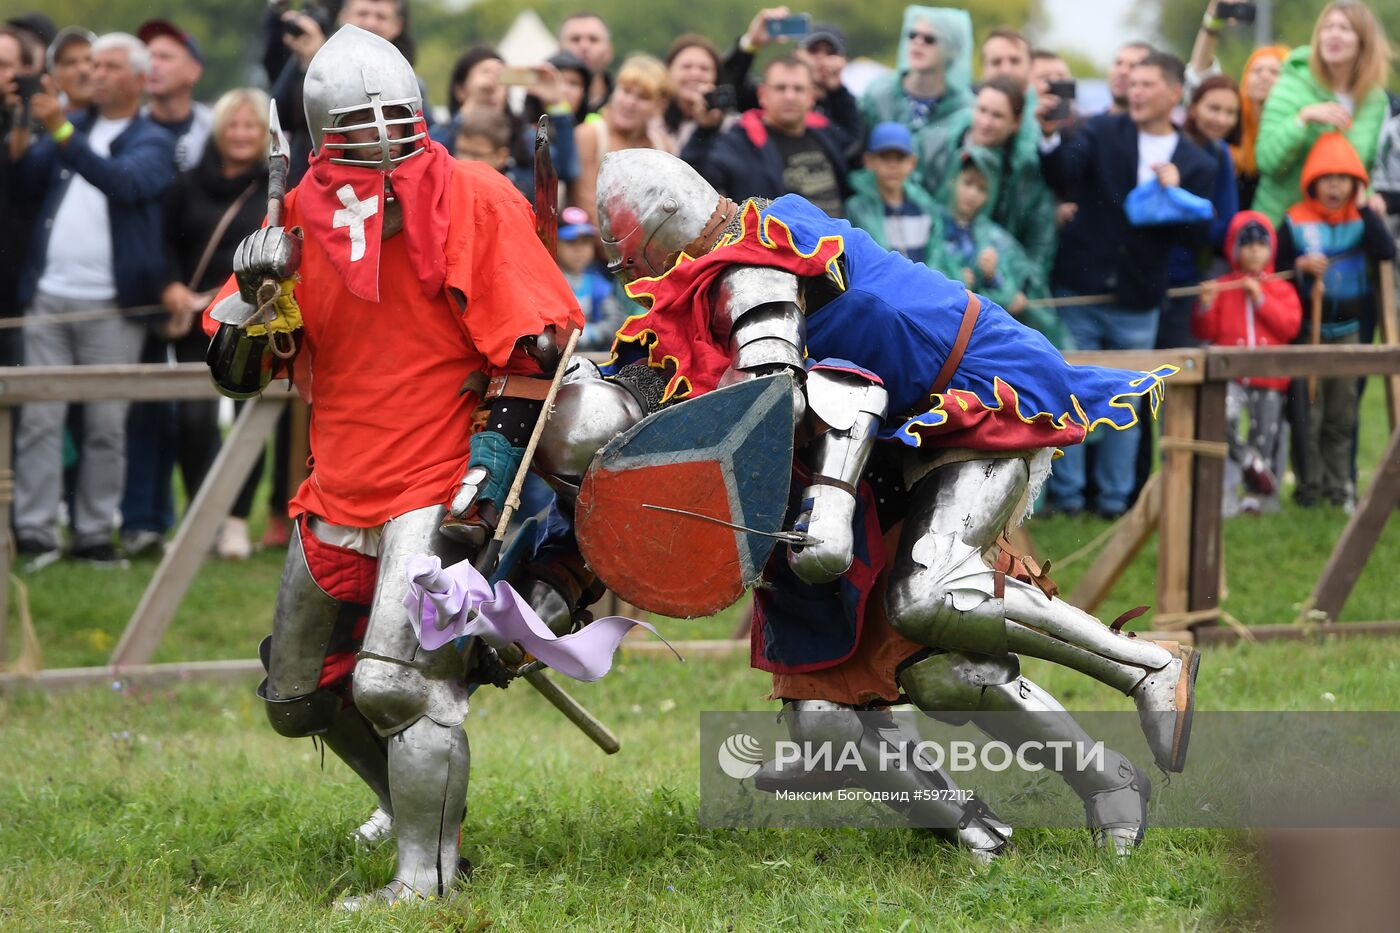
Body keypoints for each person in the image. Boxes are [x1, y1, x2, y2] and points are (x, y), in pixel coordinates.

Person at [577, 148, 1201, 858]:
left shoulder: (754, 264)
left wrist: (830, 513)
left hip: (969, 397)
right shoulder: (697, 297)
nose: (634, 279)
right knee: (857, 704)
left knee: (927, 593)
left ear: (658, 238)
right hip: (875, 459)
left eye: (632, 259)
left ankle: (1145, 666)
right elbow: (649, 415)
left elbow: (798, 398)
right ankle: (1015, 816)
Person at [203, 26, 581, 907]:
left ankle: (428, 876)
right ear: (322, 129)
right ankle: (414, 807)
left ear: (417, 112)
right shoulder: (293, 214)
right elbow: (242, 374)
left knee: (395, 681)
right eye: (356, 124)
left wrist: (482, 489)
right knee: (298, 696)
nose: (377, 138)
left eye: (392, 119)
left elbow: (534, 353)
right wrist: (250, 298)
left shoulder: (475, 198)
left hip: (436, 474)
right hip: (336, 481)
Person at [7, 33, 175, 568]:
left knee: (106, 425)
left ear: (139, 80)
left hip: (113, 305)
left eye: (108, 66)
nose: (94, 74)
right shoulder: (75, 126)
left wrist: (57, 127)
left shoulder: (153, 140)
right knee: (39, 420)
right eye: (92, 65)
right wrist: (23, 119)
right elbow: (24, 176)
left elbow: (123, 184)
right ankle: (34, 533)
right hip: (50, 298)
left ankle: (95, 535)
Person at [1037, 51, 1216, 518]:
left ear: (1175, 93)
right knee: (1070, 395)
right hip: (1080, 288)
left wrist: (1177, 196)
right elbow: (1063, 172)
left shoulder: (1194, 159)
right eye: (1132, 83)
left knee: (1126, 406)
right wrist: (1051, 134)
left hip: (1139, 298)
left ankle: (1116, 502)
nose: (1135, 91)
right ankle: (1068, 498)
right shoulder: (1100, 130)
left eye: (1147, 84)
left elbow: (1199, 240)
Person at [159, 88, 271, 560]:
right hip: (192, 322)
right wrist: (172, 289)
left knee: (249, 419)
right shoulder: (185, 184)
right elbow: (163, 243)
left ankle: (235, 522)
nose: (242, 134)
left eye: (251, 126)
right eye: (234, 125)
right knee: (194, 421)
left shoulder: (275, 188)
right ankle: (199, 521)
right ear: (219, 129)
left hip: (251, 319)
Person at [1276, 133, 1396, 509]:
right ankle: (1308, 491)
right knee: (1308, 414)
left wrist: (1366, 210)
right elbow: (1277, 268)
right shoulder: (1295, 220)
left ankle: (1339, 486)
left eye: (1343, 179)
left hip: (1349, 334)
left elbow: (1386, 251)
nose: (1334, 186)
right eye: (1326, 178)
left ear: (1355, 183)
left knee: (1342, 416)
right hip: (1306, 334)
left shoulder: (1361, 221)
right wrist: (1298, 266)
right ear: (1313, 181)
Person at [1193, 212, 1302, 516]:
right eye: (1247, 243)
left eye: (1261, 244)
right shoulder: (1223, 286)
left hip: (1269, 378)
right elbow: (1205, 331)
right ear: (1233, 248)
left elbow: (1289, 326)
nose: (1254, 250)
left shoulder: (1281, 287)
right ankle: (1233, 482)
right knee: (1222, 420)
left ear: (1271, 248)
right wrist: (1206, 304)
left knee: (1265, 435)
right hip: (1231, 377)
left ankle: (1260, 499)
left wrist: (1261, 300)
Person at [1254, 1, 1391, 226]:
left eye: (1344, 29)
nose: (1333, 35)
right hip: (1282, 230)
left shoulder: (1375, 101)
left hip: (1340, 237)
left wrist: (1371, 196)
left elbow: (1362, 170)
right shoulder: (1292, 84)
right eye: (1327, 27)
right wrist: (1303, 118)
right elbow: (1267, 161)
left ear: (1364, 41)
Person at [682, 55, 849, 218]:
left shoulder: (826, 134)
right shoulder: (740, 143)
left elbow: (858, 149)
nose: (789, 96)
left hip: (836, 241)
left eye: (798, 89)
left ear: (812, 96)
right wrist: (705, 130)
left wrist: (838, 92)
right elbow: (694, 181)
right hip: (774, 243)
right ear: (762, 94)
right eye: (780, 88)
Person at [1159, 74, 1242, 349]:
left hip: (1190, 276)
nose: (1221, 119)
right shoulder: (1169, 143)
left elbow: (1225, 223)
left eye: (1230, 112)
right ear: (1193, 107)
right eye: (1214, 108)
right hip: (1154, 270)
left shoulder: (1220, 153)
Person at [573, 54, 670, 225]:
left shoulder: (662, 146)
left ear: (659, 106)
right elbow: (587, 207)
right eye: (625, 91)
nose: (630, 102)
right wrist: (625, 250)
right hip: (596, 246)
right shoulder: (589, 135)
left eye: (642, 97)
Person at [860, 6, 973, 148]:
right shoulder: (877, 95)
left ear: (954, 50)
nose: (918, 42)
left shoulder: (966, 109)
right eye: (912, 35)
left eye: (929, 39)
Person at [138, 19, 211, 172]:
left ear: (194, 71)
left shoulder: (215, 130)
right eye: (149, 57)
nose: (153, 64)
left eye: (165, 57)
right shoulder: (126, 128)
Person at [556, 205, 623, 351]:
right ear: (554, 243)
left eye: (585, 242)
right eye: (571, 242)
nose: (579, 249)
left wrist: (592, 334)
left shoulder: (598, 284)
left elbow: (616, 323)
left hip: (592, 358)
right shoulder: (549, 284)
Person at [1232, 45, 1290, 210]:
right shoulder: (1230, 123)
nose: (1264, 76)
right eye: (1257, 70)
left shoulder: (1297, 127)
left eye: (1274, 72)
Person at [558, 12, 613, 114]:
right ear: (559, 50)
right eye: (575, 39)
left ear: (609, 52)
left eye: (593, 39)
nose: (584, 46)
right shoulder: (540, 106)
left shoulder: (623, 104)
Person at [48, 26, 95, 114]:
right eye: (71, 63)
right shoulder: (42, 122)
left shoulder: (124, 119)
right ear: (55, 78)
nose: (83, 69)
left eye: (90, 59)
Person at [1105, 41, 1154, 114]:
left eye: (1133, 66)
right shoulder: (1089, 123)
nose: (1122, 72)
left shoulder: (1164, 125)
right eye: (1118, 63)